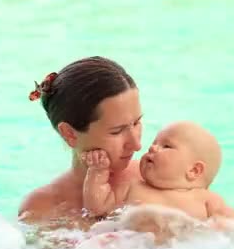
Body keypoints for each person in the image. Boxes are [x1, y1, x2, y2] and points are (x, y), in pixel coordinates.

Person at [18, 56, 144, 230]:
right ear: (69, 134)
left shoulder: (154, 177)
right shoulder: (41, 209)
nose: (136, 144)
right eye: (117, 131)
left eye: (137, 123)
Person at [81, 121, 234, 242]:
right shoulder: (133, 186)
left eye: (166, 146)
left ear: (194, 171)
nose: (152, 148)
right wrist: (97, 172)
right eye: (153, 144)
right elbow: (96, 208)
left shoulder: (207, 199)